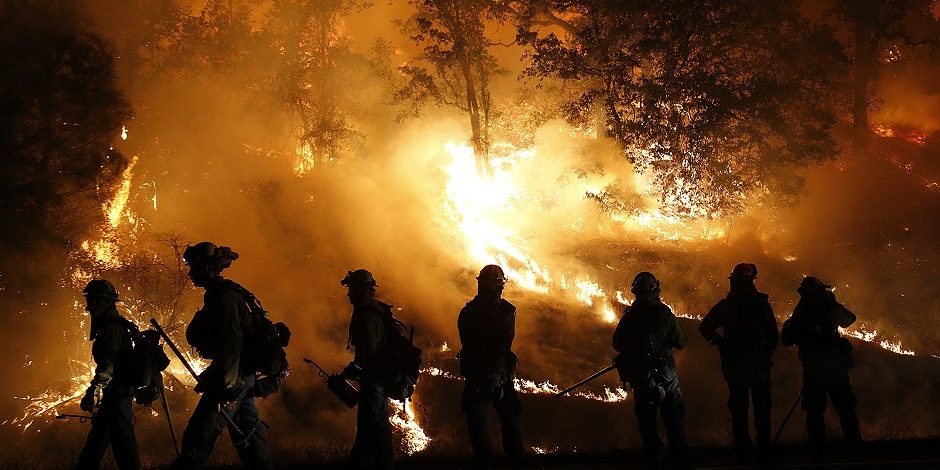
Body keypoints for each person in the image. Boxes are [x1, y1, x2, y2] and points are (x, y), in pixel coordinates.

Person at [171, 242, 272, 470]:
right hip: (242, 376)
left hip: (233, 378)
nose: (190, 273)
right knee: (251, 439)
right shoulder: (223, 294)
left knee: (198, 438)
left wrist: (222, 384)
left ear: (208, 267)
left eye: (194, 268)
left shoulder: (223, 298)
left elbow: (232, 346)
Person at [699, 263, 778, 464]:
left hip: (735, 366)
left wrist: (720, 343)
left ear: (733, 281)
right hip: (758, 365)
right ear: (752, 282)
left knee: (739, 407)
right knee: (762, 407)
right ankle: (765, 450)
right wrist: (766, 352)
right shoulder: (761, 304)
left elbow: (705, 327)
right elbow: (773, 334)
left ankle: (742, 451)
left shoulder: (726, 306)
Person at [613, 272, 690, 470]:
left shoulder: (629, 317)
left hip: (642, 377)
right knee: (673, 420)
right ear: (656, 291)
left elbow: (617, 343)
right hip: (666, 375)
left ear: (636, 293)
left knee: (647, 423)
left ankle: (654, 459)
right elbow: (680, 342)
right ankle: (680, 461)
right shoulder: (665, 314)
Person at [781, 276, 863, 460]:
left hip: (814, 368)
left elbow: (787, 339)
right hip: (832, 366)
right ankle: (853, 447)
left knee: (815, 410)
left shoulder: (803, 310)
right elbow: (849, 319)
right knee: (843, 408)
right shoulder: (823, 307)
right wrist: (832, 305)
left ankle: (819, 450)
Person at [457, 265, 524, 470]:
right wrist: (498, 372)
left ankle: (485, 461)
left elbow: (470, 343)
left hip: (482, 373)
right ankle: (515, 461)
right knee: (507, 417)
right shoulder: (506, 312)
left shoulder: (468, 312)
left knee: (479, 418)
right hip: (495, 373)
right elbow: (499, 344)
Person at [75, 279, 141, 470]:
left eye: (96, 300)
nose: (90, 305)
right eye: (91, 300)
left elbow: (107, 369)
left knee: (124, 447)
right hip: (113, 397)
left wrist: (92, 392)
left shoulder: (111, 329)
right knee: (94, 446)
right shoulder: (111, 326)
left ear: (108, 302)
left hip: (118, 396)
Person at [339, 269, 395, 469]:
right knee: (373, 425)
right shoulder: (375, 311)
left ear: (363, 290)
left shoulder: (366, 316)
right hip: (379, 378)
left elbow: (368, 354)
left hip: (374, 381)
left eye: (352, 289)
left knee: (372, 426)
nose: (348, 294)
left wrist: (349, 371)